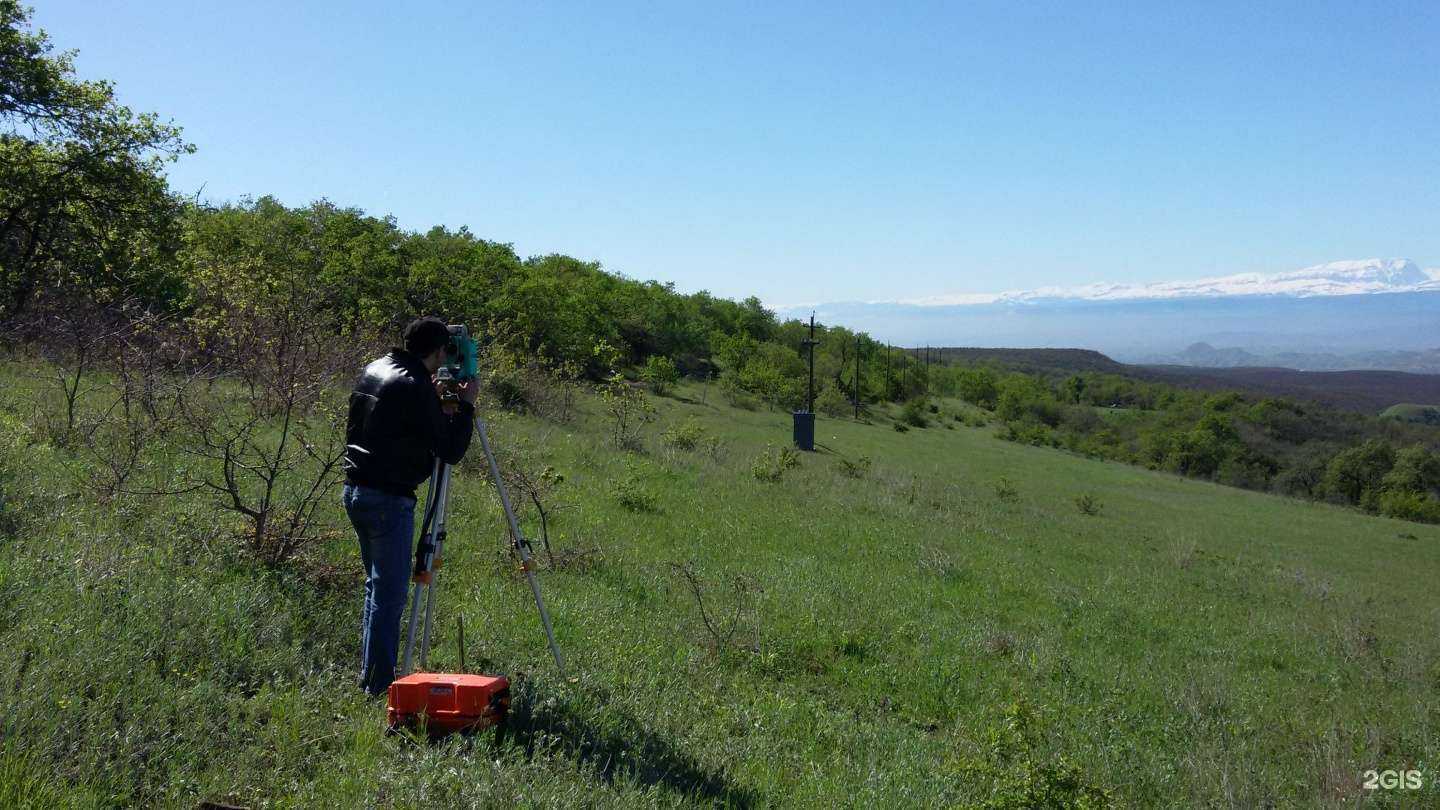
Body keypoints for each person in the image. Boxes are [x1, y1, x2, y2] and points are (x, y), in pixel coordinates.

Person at [342, 316, 477, 695]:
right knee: (389, 595)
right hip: (387, 499)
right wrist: (465, 406)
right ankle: (381, 687)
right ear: (438, 352)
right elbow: (450, 450)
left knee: (376, 588)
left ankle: (371, 676)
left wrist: (433, 403)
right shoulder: (416, 385)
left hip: (355, 490)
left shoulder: (376, 367)